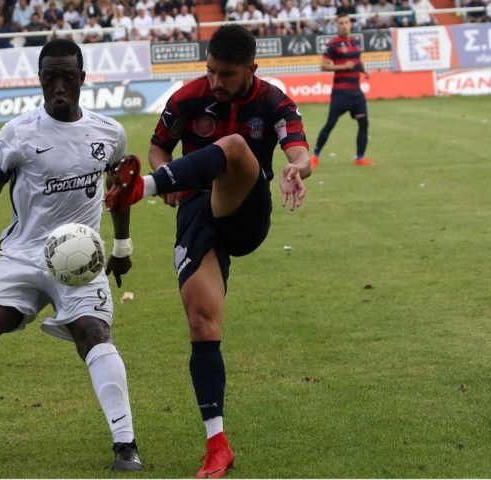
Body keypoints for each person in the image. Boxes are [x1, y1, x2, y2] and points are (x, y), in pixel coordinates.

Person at [0, 38, 143, 472]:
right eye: (50, 78)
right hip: (22, 255)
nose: (59, 87)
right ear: (39, 80)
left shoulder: (109, 133)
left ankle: (125, 444)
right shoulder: (18, 133)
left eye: (67, 77)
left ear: (82, 79)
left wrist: (121, 247)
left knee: (94, 334)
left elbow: (119, 192)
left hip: (82, 262)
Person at [106, 24, 310, 479]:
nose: (216, 81)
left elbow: (300, 152)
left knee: (234, 147)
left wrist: (296, 170)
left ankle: (139, 190)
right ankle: (218, 445)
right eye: (211, 71)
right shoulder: (187, 98)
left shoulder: (273, 101)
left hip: (245, 207)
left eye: (227, 74)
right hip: (197, 210)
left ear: (251, 68)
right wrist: (168, 176)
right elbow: (158, 147)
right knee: (201, 321)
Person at [311, 13, 372, 168]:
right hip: (341, 93)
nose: (345, 25)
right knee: (330, 124)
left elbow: (357, 61)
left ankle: (359, 158)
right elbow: (323, 66)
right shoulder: (332, 44)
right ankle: (315, 156)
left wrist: (364, 70)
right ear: (337, 25)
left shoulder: (356, 42)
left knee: (364, 124)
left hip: (356, 93)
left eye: (346, 22)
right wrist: (343, 66)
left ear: (350, 24)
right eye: (341, 23)